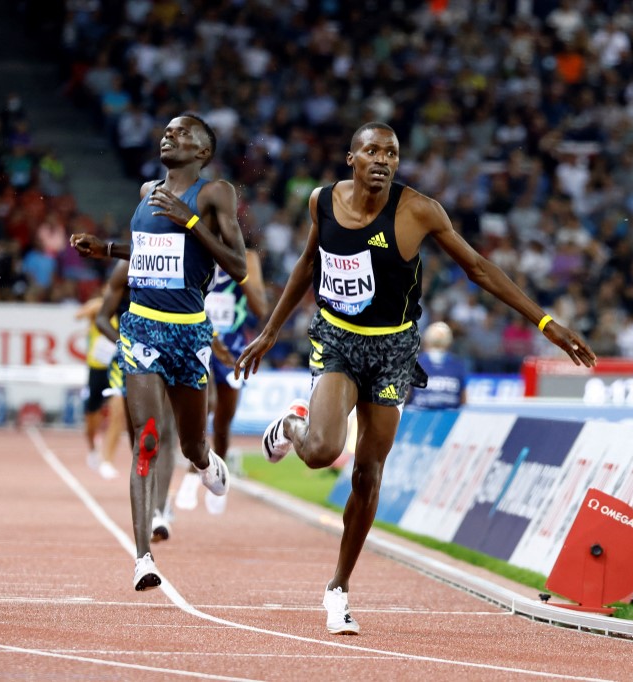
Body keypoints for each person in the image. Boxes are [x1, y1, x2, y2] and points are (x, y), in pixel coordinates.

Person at [235, 122, 595, 635]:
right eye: (371, 151)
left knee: (368, 474)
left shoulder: (418, 211)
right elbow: (306, 264)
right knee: (319, 451)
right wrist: (271, 331)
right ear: (350, 158)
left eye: (391, 152)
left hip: (393, 349)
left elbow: (480, 268)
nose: (381, 159)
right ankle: (293, 426)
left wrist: (545, 322)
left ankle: (338, 588)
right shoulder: (321, 202)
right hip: (336, 338)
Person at [70, 112, 247, 591]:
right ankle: (143, 557)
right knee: (146, 438)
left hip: (189, 334)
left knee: (190, 445)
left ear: (203, 151)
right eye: (166, 131)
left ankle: (207, 463)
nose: (169, 136)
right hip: (142, 328)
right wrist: (106, 248)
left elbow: (238, 264)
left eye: (182, 133)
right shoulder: (148, 193)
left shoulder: (214, 194)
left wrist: (191, 220)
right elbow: (148, 251)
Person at [175, 244, 268, 514]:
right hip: (199, 336)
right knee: (206, 405)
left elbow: (260, 308)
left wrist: (238, 270)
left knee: (225, 420)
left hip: (233, 346)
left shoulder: (247, 257)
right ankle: (193, 475)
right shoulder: (197, 248)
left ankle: (220, 468)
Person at [95, 261, 178, 539]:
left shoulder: (177, 260)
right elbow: (101, 318)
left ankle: (159, 509)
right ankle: (149, 499)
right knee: (142, 436)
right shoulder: (125, 268)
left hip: (166, 354)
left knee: (163, 430)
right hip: (129, 360)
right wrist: (126, 344)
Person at [75, 295, 120, 479]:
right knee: (92, 418)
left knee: (118, 413)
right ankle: (93, 447)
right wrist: (98, 305)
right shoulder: (99, 311)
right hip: (97, 368)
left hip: (116, 369)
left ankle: (107, 460)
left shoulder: (125, 310)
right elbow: (78, 315)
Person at [406, 321, 465, 410]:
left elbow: (405, 396)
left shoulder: (414, 363)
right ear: (449, 342)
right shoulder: (457, 365)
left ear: (426, 340)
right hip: (449, 418)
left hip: (418, 417)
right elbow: (464, 400)